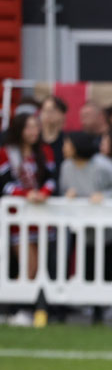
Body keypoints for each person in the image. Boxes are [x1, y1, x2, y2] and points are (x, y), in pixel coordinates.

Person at [60, 131, 112, 324]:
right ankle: (96, 313)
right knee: (91, 271)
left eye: (68, 143)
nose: (64, 147)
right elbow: (63, 189)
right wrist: (69, 195)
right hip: (86, 230)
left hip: (111, 230)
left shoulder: (101, 165)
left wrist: (105, 196)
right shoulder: (66, 167)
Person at [1, 112, 58, 326]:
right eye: (29, 127)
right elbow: (4, 185)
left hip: (40, 215)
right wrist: (26, 195)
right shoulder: (7, 154)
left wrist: (43, 192)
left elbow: (52, 179)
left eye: (36, 127)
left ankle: (21, 308)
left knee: (38, 266)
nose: (34, 131)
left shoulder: (44, 151)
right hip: (18, 217)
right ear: (19, 130)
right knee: (29, 264)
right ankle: (14, 307)